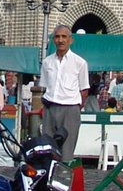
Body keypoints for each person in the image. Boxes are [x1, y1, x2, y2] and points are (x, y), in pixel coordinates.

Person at [38, 24, 90, 160]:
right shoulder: (47, 62)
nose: (60, 40)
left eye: (64, 37)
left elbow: (84, 90)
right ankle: (47, 178)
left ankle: (64, 179)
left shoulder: (80, 63)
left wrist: (75, 109)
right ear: (53, 40)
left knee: (66, 150)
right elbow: (43, 87)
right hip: (50, 108)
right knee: (48, 148)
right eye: (57, 37)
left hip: (70, 109)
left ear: (70, 40)